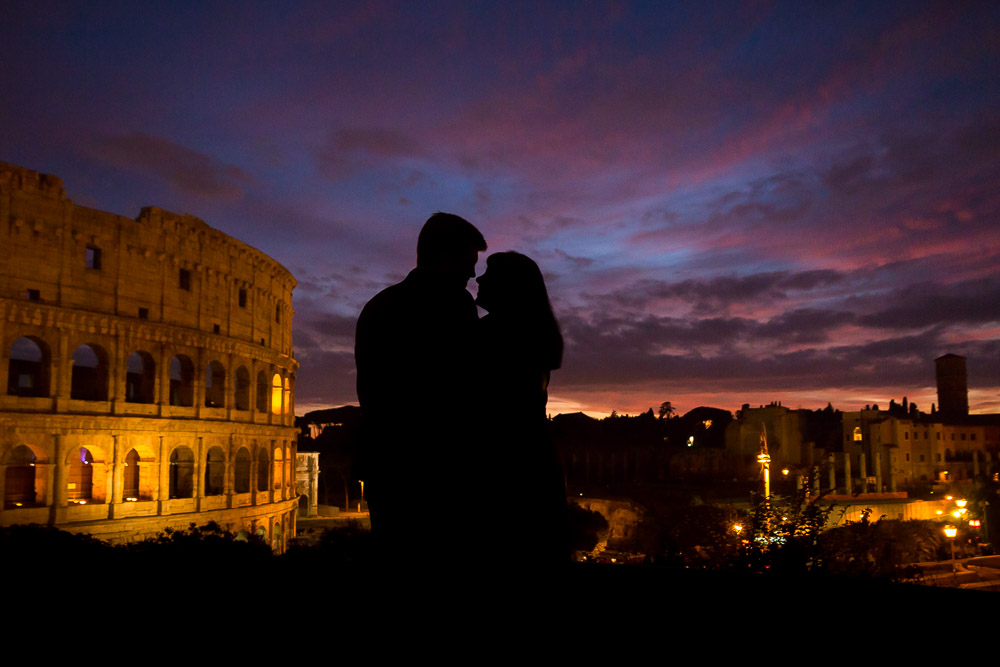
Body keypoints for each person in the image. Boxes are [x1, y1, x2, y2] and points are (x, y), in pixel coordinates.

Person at [354, 212, 487, 569]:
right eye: (468, 261)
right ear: (444, 256)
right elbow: (466, 387)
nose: (472, 274)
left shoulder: (380, 306)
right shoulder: (453, 306)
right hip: (435, 469)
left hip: (390, 465)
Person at [474, 251, 570, 568]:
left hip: (507, 469)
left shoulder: (495, 335)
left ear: (509, 286)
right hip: (533, 464)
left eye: (489, 273)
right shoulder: (530, 334)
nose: (479, 278)